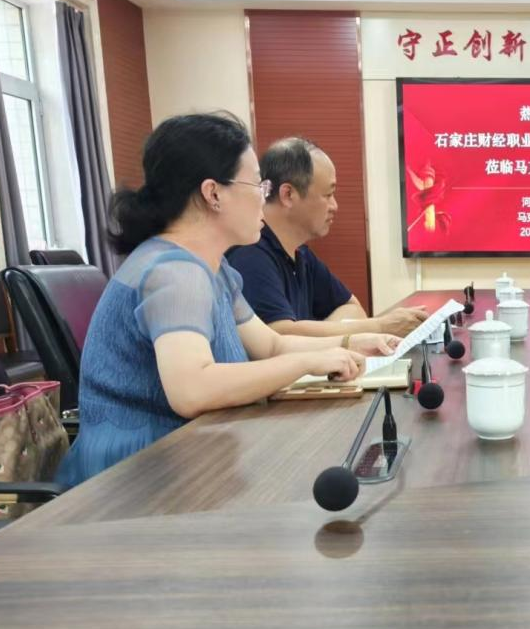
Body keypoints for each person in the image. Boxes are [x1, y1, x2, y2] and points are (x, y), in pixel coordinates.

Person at [56, 114, 400, 486]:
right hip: (136, 477)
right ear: (213, 193)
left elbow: (271, 345)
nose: (263, 197)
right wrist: (308, 361)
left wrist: (351, 344)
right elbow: (192, 389)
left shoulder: (212, 267)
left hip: (189, 456)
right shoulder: (174, 272)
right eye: (257, 184)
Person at [227, 137, 427, 337]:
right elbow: (279, 337)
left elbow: (352, 308)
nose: (334, 206)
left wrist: (315, 333)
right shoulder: (250, 254)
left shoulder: (300, 253)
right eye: (328, 195)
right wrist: (379, 327)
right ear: (288, 194)